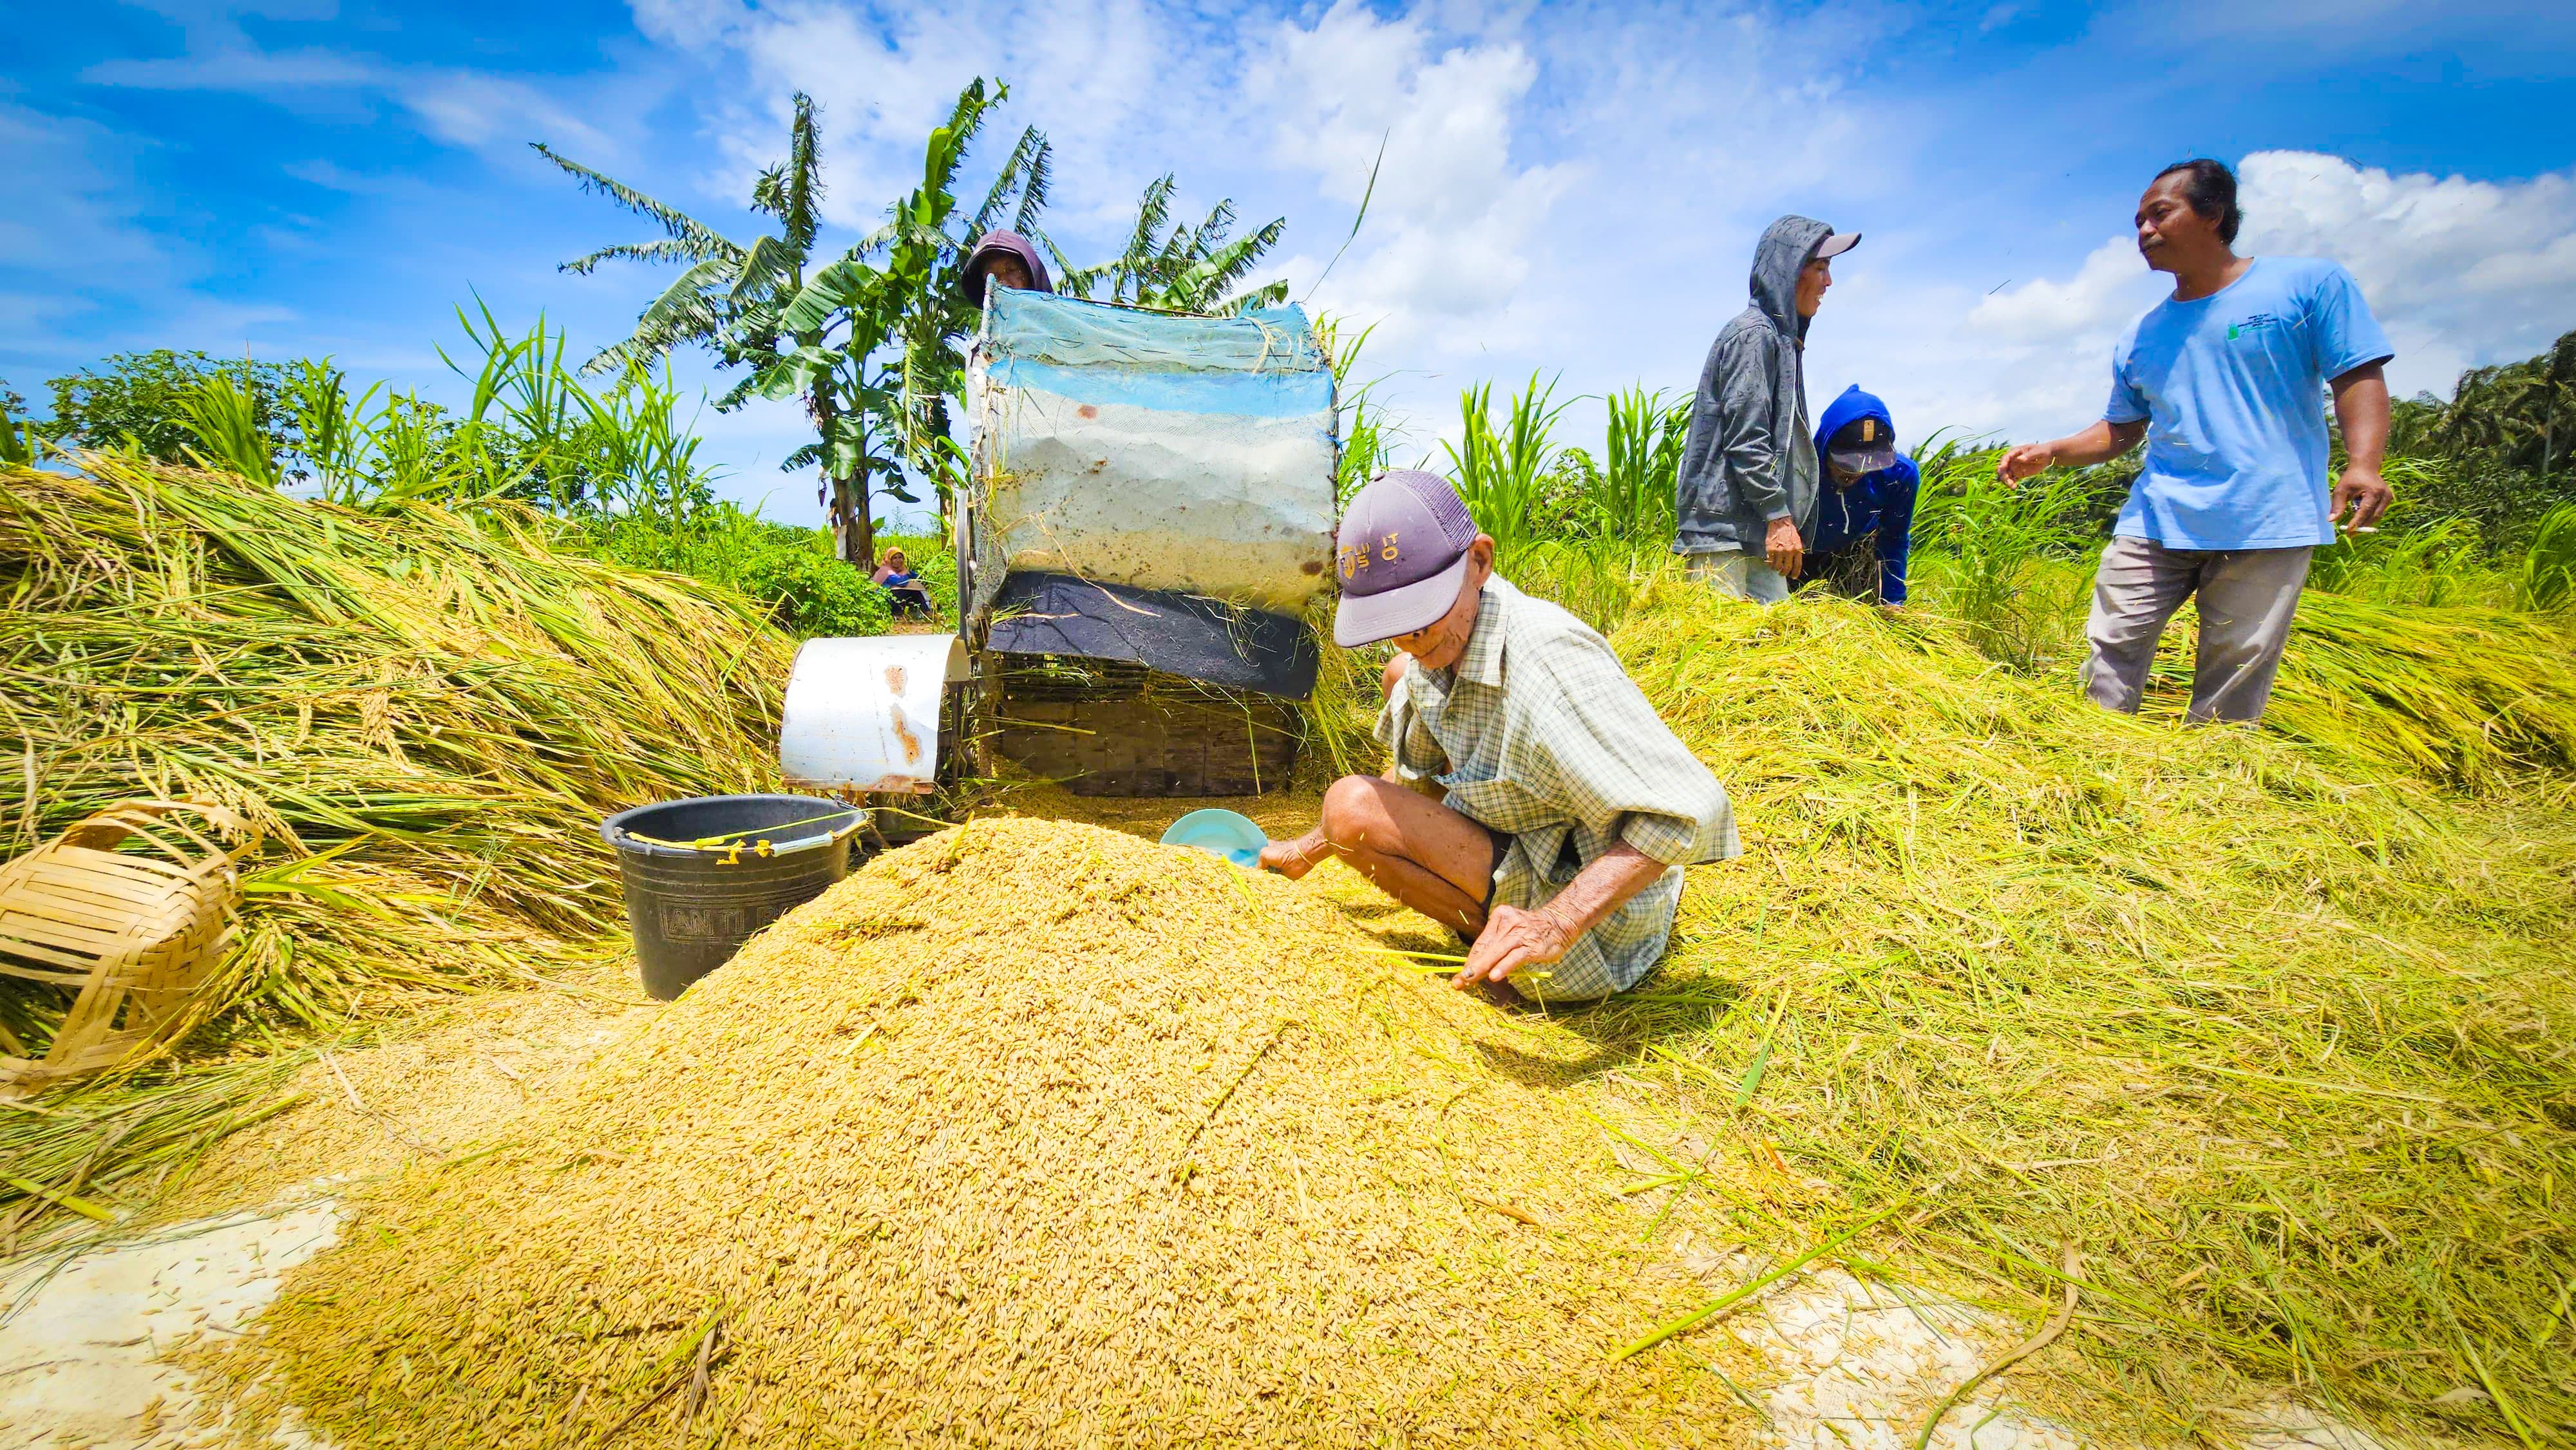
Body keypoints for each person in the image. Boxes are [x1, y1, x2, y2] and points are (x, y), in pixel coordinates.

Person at [1260, 469, 1739, 1005]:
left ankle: (1506, 960)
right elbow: (1418, 778)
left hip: (1595, 919)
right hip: (1519, 837)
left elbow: (1688, 810)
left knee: (1348, 804)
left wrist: (1556, 922)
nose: (1408, 636)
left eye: (1421, 613)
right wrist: (1310, 847)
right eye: (1390, 619)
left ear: (1479, 562)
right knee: (1399, 677)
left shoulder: (1551, 669)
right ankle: (1483, 915)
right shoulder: (1434, 654)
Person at [1998, 158, 2393, 724]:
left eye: (2160, 214)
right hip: (2159, 516)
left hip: (2266, 515)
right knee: (2111, 644)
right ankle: (2095, 762)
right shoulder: (2142, 333)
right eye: (2138, 221)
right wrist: (2053, 452)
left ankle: (2210, 786)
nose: (2144, 232)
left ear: (2214, 214)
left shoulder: (2306, 286)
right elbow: (2124, 428)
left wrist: (2365, 463)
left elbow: (2356, 374)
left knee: (2236, 663)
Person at [1674, 215, 1861, 603]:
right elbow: (1747, 439)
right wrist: (1779, 517)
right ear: (1789, 271)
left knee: (1774, 648)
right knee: (1716, 650)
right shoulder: (1754, 336)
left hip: (1756, 533)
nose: (1829, 282)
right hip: (1721, 538)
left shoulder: (1782, 342)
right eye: (1821, 268)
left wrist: (1777, 521)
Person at [1800, 386, 1918, 607]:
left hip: (1851, 556)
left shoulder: (1900, 476)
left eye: (1868, 464)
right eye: (1847, 464)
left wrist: (1892, 601)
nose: (1855, 473)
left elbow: (1894, 538)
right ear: (1825, 446)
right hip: (1795, 554)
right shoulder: (1799, 468)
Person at [960, 231, 1054, 308]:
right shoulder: (988, 330)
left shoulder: (1060, 326)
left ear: (1030, 276)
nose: (1004, 284)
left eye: (1012, 270)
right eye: (992, 277)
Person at [871, 548, 933, 619]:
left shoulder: (902, 570)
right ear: (889, 560)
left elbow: (918, 577)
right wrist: (906, 574)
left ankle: (927, 612)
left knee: (916, 593)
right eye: (895, 558)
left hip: (896, 595)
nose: (898, 560)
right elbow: (901, 582)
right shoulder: (886, 571)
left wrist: (910, 573)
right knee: (899, 592)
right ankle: (897, 614)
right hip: (884, 597)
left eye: (900, 558)